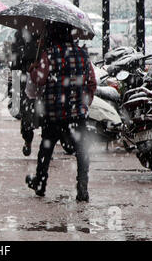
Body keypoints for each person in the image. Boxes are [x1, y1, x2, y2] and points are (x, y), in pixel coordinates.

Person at [25, 23, 97, 202]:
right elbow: (92, 82)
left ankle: (40, 184)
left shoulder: (48, 54)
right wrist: (83, 103)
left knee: (46, 150)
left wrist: (33, 70)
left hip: (54, 112)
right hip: (77, 114)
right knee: (82, 151)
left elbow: (40, 80)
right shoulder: (82, 54)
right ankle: (82, 187)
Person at [10, 29, 41, 156]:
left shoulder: (44, 33)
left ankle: (44, 145)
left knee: (40, 115)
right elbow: (16, 60)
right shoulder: (20, 35)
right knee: (27, 115)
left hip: (40, 79)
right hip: (25, 79)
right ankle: (28, 140)